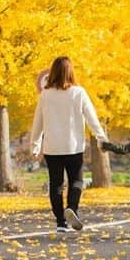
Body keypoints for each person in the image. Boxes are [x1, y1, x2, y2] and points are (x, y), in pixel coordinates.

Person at [29, 57, 109, 233]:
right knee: (76, 181)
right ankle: (71, 207)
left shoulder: (45, 94)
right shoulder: (79, 93)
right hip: (73, 146)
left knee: (55, 184)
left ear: (53, 73)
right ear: (71, 72)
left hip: (52, 147)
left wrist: (34, 145)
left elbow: (38, 122)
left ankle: (60, 222)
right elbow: (92, 118)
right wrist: (101, 138)